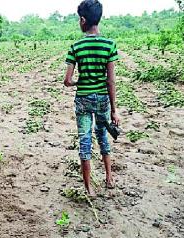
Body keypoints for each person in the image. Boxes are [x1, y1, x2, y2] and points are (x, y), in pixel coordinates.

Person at [64, 0, 120, 196]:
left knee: (85, 139)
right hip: (103, 100)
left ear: (83, 20)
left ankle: (88, 189)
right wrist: (114, 110)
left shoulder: (76, 46)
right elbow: (111, 81)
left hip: (83, 100)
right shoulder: (109, 45)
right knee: (103, 135)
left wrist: (81, 82)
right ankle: (109, 178)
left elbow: (67, 80)